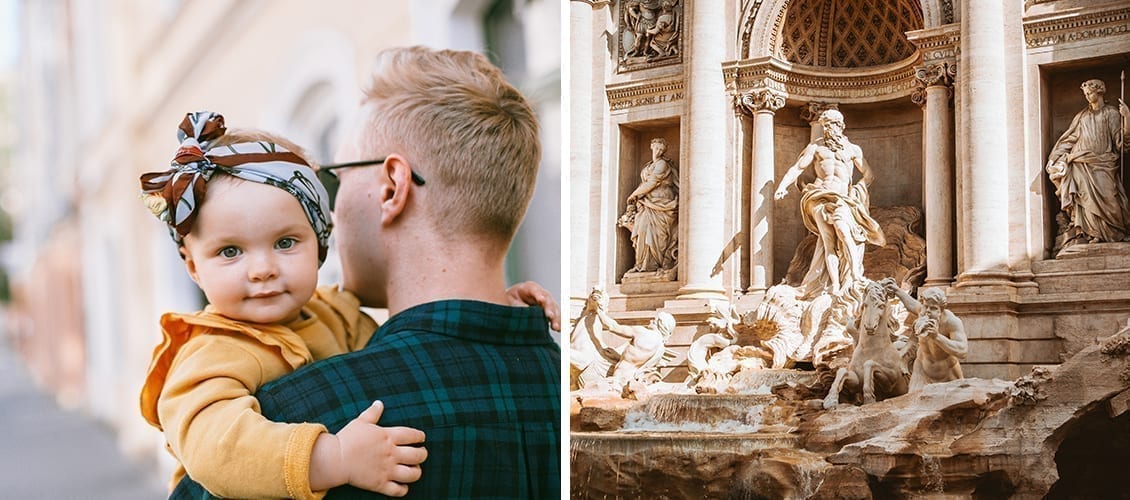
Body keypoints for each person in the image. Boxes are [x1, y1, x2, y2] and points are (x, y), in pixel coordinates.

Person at [173, 46, 561, 498]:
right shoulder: (561, 382)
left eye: (337, 177)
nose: (332, 213)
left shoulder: (291, 421)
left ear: (392, 188)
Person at [774, 109, 885, 299]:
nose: (827, 129)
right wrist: (782, 186)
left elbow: (869, 174)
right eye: (825, 125)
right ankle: (834, 285)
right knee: (828, 243)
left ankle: (856, 275)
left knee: (843, 231)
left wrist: (858, 191)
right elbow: (798, 168)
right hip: (819, 195)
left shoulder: (853, 149)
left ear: (841, 126)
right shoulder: (816, 148)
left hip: (843, 198)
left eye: (831, 124)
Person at [1045, 78, 1130, 248]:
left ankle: (1116, 233)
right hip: (1080, 163)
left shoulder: (1111, 113)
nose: (1087, 96)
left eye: (1090, 93)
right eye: (1085, 94)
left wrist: (1127, 118)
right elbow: (1069, 139)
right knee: (1084, 199)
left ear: (1100, 92)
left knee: (1109, 198)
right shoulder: (1082, 116)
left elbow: (1121, 144)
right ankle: (1092, 233)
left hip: (1104, 163)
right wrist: (1055, 158)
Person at [885, 282, 967, 392]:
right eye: (925, 306)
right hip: (922, 372)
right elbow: (911, 304)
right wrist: (897, 290)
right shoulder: (923, 312)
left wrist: (937, 337)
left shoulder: (951, 322)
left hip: (948, 374)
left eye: (933, 308)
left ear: (941, 310)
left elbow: (962, 351)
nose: (927, 311)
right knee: (913, 405)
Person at [623, 137, 679, 275]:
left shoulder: (662, 165)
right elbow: (646, 184)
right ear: (651, 147)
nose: (658, 151)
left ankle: (656, 263)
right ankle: (642, 264)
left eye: (661, 149)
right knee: (642, 231)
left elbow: (652, 182)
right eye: (656, 148)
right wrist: (638, 196)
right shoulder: (648, 166)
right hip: (647, 203)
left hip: (662, 202)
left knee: (659, 235)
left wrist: (634, 195)